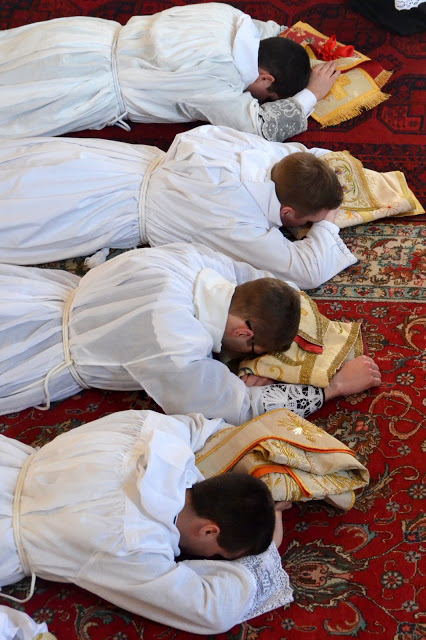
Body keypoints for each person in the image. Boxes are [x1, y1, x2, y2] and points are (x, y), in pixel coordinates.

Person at [0, 243, 381, 420]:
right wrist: (334, 387)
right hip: (34, 355)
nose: (246, 359)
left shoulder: (195, 260)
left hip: (37, 296)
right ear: (244, 334)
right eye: (252, 352)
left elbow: (258, 280)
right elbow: (242, 408)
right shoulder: (179, 344)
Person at [0, 409, 293, 634]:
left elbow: (208, 429)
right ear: (208, 530)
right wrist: (270, 546)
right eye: (219, 554)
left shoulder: (153, 430)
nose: (212, 559)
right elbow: (214, 609)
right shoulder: (136, 545)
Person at [0, 126, 355, 289]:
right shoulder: (239, 220)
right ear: (287, 213)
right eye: (306, 221)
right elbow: (305, 272)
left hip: (114, 161)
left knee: (27, 169)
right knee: (19, 209)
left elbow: (304, 155)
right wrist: (327, 223)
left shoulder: (262, 153)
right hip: (106, 209)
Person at [0, 3, 340, 140]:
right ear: (266, 78)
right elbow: (262, 128)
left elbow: (268, 31)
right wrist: (312, 93)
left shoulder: (229, 16)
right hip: (86, 88)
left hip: (85, 38)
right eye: (267, 95)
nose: (259, 99)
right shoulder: (220, 83)